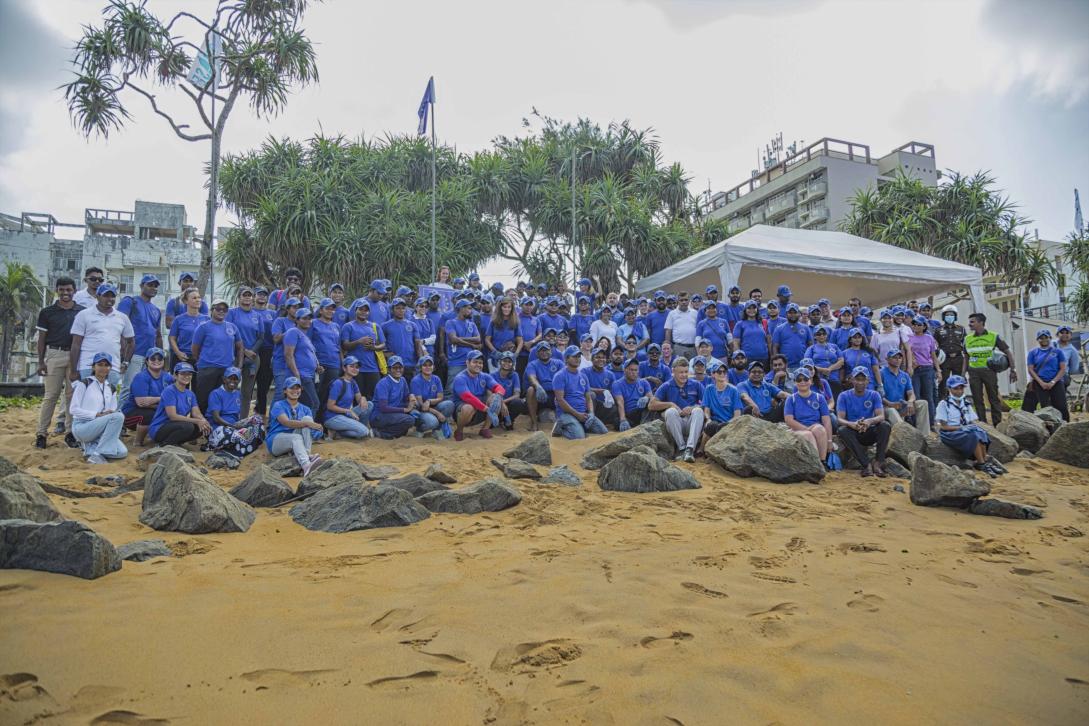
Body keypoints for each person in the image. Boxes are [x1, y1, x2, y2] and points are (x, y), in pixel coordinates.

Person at [35, 276, 83, 448]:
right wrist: (41, 362)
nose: (65, 293)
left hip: (75, 356)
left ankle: (70, 433)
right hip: (54, 354)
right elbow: (41, 339)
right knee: (51, 396)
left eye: (69, 290)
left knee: (72, 396)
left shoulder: (81, 312)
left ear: (74, 291)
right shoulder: (47, 312)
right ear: (57, 290)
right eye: (62, 289)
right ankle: (41, 434)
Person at [935, 375, 1003, 477]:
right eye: (955, 388)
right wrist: (962, 428)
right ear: (949, 389)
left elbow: (971, 421)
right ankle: (981, 463)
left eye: (961, 388)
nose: (959, 391)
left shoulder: (965, 403)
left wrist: (970, 428)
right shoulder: (944, 404)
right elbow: (943, 427)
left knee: (980, 432)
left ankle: (984, 461)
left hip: (964, 431)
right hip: (950, 433)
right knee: (973, 435)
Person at [69, 282, 134, 386]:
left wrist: (126, 362)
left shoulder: (122, 317)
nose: (110, 299)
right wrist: (73, 370)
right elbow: (76, 344)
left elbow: (131, 342)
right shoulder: (84, 315)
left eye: (112, 296)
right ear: (98, 296)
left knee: (108, 400)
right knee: (87, 399)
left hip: (112, 367)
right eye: (106, 295)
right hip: (88, 366)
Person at [69, 352, 128, 464]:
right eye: (100, 364)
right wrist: (96, 414)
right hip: (82, 426)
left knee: (122, 452)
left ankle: (91, 449)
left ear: (110, 368)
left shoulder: (111, 388)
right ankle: (97, 455)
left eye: (106, 365)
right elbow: (73, 409)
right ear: (93, 367)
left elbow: (111, 412)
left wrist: (108, 413)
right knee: (119, 416)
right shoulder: (84, 383)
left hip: (99, 428)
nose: (103, 368)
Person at [117, 273, 163, 410]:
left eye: (155, 286)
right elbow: (119, 325)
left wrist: (161, 355)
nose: (153, 288)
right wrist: (123, 352)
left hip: (150, 357)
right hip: (134, 353)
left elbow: (158, 334)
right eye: (150, 285)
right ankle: (119, 419)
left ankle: (134, 421)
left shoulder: (156, 310)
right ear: (141, 286)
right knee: (128, 387)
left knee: (143, 390)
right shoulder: (130, 301)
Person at [834, 367, 891, 478]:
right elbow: (840, 419)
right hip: (853, 430)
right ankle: (866, 464)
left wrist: (869, 421)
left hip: (869, 429)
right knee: (842, 430)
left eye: (863, 379)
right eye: (857, 379)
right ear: (852, 380)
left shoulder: (874, 395)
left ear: (868, 380)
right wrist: (852, 424)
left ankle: (878, 462)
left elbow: (881, 416)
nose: (860, 382)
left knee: (885, 426)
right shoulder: (844, 396)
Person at [190, 298, 243, 411]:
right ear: (212, 310)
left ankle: (218, 427)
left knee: (222, 402)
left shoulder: (232, 327)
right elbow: (195, 349)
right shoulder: (203, 327)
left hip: (227, 371)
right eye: (218, 308)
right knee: (203, 401)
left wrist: (239, 367)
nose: (221, 311)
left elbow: (240, 348)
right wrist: (202, 362)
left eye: (224, 309)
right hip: (207, 369)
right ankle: (199, 427)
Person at [648, 357, 704, 462]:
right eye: (681, 372)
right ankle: (681, 448)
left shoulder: (696, 384)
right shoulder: (667, 385)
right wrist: (670, 404)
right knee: (670, 411)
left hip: (691, 422)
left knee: (698, 411)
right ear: (673, 371)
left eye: (686, 372)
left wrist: (693, 408)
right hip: (675, 423)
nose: (684, 375)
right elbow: (651, 405)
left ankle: (690, 449)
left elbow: (707, 404)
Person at [965, 312, 1015, 425]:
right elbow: (966, 357)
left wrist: (1013, 369)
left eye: (972, 322)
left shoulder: (993, 336)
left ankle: (997, 424)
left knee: (993, 398)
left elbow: (1007, 352)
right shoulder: (967, 339)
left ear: (981, 322)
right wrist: (963, 374)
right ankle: (983, 423)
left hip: (989, 371)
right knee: (977, 399)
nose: (970, 324)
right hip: (973, 372)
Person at [266, 376, 323, 475]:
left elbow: (311, 430)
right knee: (298, 434)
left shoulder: (306, 409)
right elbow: (286, 422)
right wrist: (309, 424)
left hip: (295, 441)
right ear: (285, 391)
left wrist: (318, 430)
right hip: (276, 440)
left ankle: (307, 453)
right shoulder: (278, 405)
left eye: (297, 388)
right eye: (291, 388)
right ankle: (306, 466)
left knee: (307, 419)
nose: (295, 390)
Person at [204, 367, 265, 458]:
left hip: (233, 426)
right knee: (235, 435)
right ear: (224, 379)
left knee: (258, 419)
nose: (233, 381)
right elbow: (216, 418)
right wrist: (233, 426)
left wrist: (241, 425)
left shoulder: (237, 394)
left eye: (236, 379)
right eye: (230, 378)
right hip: (218, 428)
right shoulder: (216, 393)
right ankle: (217, 446)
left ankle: (237, 447)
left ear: (239, 380)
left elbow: (237, 417)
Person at [148, 362, 211, 447]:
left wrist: (204, 421)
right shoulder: (169, 391)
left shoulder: (190, 394)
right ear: (175, 375)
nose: (187, 376)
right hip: (159, 428)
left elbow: (196, 413)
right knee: (188, 427)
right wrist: (197, 421)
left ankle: (176, 442)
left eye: (189, 374)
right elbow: (173, 416)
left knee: (201, 428)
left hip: (177, 425)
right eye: (183, 373)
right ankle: (165, 445)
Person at [450, 350, 506, 440]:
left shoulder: (485, 376)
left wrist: (499, 396)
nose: (478, 365)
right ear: (467, 362)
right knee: (468, 407)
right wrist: (488, 409)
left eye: (480, 363)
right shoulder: (460, 378)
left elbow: (499, 387)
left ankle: (485, 429)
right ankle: (459, 430)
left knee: (495, 397)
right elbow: (468, 397)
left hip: (480, 409)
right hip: (463, 411)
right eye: (475, 362)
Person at [122, 347, 172, 446]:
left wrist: (156, 403)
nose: (156, 361)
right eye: (153, 358)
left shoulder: (167, 377)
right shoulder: (141, 377)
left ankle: (156, 438)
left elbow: (173, 397)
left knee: (169, 413)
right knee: (149, 415)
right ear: (147, 361)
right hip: (131, 414)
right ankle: (137, 442)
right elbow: (141, 403)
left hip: (153, 408)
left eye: (160, 358)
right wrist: (162, 399)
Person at [227, 287, 264, 419]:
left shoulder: (257, 316)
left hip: (252, 358)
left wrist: (251, 351)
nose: (247, 297)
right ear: (239, 297)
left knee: (246, 393)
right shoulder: (232, 313)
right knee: (230, 388)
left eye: (250, 295)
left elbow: (261, 337)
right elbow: (228, 334)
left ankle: (242, 421)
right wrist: (244, 351)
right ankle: (229, 418)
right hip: (234, 357)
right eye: (244, 295)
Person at [783, 368, 833, 466]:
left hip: (814, 426)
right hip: (796, 430)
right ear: (795, 382)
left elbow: (826, 421)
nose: (803, 382)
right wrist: (807, 429)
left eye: (805, 379)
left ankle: (822, 462)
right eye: (799, 380)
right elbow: (789, 420)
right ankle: (815, 464)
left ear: (811, 381)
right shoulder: (791, 399)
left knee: (820, 429)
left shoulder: (819, 398)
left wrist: (830, 441)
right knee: (808, 435)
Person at [340, 300, 386, 399]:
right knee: (356, 397)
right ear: (355, 310)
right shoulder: (348, 326)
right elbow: (344, 346)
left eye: (366, 310)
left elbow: (383, 344)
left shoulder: (374, 326)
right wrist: (359, 341)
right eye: (361, 309)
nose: (363, 312)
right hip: (355, 368)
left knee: (375, 396)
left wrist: (374, 348)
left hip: (372, 368)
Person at [1023, 329, 1070, 421]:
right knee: (1045, 407)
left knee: (1061, 406)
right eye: (1041, 338)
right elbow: (1031, 369)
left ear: (1050, 338)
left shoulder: (1057, 352)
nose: (1044, 339)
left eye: (1046, 337)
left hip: (1056, 382)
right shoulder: (1033, 353)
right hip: (1040, 383)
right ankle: (1050, 427)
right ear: (1038, 339)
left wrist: (1053, 382)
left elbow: (1062, 368)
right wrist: (1041, 383)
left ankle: (1066, 425)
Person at [880, 349, 930, 434]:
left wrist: (910, 402)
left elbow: (911, 394)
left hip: (901, 405)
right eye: (894, 357)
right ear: (887, 359)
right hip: (886, 408)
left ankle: (924, 436)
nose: (897, 359)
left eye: (899, 357)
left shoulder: (905, 375)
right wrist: (890, 404)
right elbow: (877, 395)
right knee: (892, 410)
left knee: (923, 403)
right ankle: (905, 437)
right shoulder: (881, 373)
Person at [324, 357, 373, 439]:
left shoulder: (353, 382)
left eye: (357, 367)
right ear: (344, 368)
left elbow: (359, 399)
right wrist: (348, 411)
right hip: (333, 417)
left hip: (345, 414)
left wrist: (363, 398)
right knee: (364, 432)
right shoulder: (338, 383)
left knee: (369, 404)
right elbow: (330, 406)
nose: (355, 369)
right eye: (352, 366)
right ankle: (339, 433)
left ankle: (339, 432)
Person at [310, 298, 343, 419]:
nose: (330, 311)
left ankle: (325, 422)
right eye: (327, 308)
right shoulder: (313, 323)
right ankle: (315, 421)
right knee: (317, 392)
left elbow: (338, 346)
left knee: (331, 394)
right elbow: (308, 343)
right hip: (320, 364)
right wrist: (314, 363)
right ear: (321, 310)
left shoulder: (336, 326)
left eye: (332, 309)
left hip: (334, 364)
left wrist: (342, 362)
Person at [370, 356, 418, 439]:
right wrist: (405, 410)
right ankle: (379, 433)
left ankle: (387, 432)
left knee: (415, 415)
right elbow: (383, 408)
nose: (398, 370)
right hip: (379, 416)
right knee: (409, 420)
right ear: (389, 369)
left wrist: (411, 396)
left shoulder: (403, 380)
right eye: (395, 367)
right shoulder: (383, 383)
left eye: (400, 367)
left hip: (392, 413)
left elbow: (406, 397)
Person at [906, 315, 939, 426]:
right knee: (916, 396)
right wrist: (909, 366)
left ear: (924, 326)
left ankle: (931, 422)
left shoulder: (929, 338)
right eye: (914, 324)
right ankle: (917, 422)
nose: (916, 326)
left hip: (927, 369)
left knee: (929, 396)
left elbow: (933, 355)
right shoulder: (909, 337)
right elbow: (907, 353)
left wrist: (938, 370)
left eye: (919, 324)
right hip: (915, 370)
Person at [410, 355, 454, 438]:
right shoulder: (416, 381)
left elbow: (440, 397)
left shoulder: (436, 379)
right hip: (420, 411)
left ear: (433, 367)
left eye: (430, 365)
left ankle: (437, 429)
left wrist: (429, 401)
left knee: (449, 404)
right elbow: (422, 407)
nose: (428, 367)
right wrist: (437, 413)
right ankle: (420, 429)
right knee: (433, 422)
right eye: (425, 365)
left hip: (432, 406)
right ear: (420, 367)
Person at [444, 299, 482, 393]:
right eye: (469, 308)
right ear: (461, 309)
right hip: (456, 362)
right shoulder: (450, 322)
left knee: (470, 391)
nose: (471, 311)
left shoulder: (472, 324)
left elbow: (478, 339)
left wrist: (459, 339)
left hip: (470, 363)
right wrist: (471, 345)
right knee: (451, 391)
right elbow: (453, 339)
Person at [700, 359, 742, 443]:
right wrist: (708, 419)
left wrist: (726, 424)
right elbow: (706, 410)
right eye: (719, 372)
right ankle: (701, 449)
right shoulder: (709, 389)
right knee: (711, 425)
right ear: (713, 374)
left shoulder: (734, 390)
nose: (722, 374)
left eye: (724, 372)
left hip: (729, 422)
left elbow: (737, 414)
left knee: (717, 428)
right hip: (714, 422)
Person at [167, 288, 210, 370]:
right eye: (194, 298)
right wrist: (178, 352)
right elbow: (172, 338)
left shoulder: (207, 319)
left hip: (201, 359)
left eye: (199, 297)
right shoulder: (178, 319)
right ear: (186, 301)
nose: (198, 300)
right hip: (183, 358)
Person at [525, 342, 563, 430]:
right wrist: (538, 387)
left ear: (551, 351)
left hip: (555, 395)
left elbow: (563, 378)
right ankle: (534, 423)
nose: (544, 352)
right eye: (541, 350)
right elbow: (532, 377)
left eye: (546, 350)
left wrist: (554, 388)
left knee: (564, 389)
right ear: (537, 353)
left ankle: (562, 421)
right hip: (540, 396)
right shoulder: (532, 364)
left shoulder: (559, 363)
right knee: (531, 390)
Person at [934, 304, 968, 399]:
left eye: (952, 315)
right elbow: (935, 345)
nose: (949, 317)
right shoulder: (938, 330)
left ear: (955, 316)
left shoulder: (961, 329)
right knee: (943, 383)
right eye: (947, 315)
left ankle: (959, 401)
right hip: (944, 360)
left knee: (958, 382)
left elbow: (966, 344)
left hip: (958, 359)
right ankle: (943, 402)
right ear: (943, 317)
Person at [253, 287, 276, 419]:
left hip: (268, 350)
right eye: (259, 294)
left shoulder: (272, 314)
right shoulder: (250, 312)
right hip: (253, 350)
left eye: (264, 295)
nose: (262, 297)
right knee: (250, 383)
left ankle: (261, 412)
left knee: (264, 383)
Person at [611, 358, 652, 431]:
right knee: (617, 422)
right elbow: (620, 402)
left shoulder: (644, 382)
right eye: (631, 370)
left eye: (635, 370)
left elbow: (650, 395)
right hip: (628, 414)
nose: (633, 372)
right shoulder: (617, 384)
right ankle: (641, 426)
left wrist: (646, 397)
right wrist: (623, 420)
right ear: (624, 370)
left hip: (641, 410)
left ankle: (643, 426)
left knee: (651, 402)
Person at [771, 303, 813, 369]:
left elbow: (810, 345)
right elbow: (775, 347)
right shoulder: (779, 328)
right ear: (786, 314)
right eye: (790, 313)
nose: (792, 315)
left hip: (802, 365)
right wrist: (777, 364)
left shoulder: (806, 328)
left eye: (795, 312)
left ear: (799, 314)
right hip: (785, 366)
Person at [485, 297, 523, 371]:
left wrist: (516, 354)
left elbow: (520, 340)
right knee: (495, 381)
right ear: (500, 307)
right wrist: (495, 352)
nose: (507, 309)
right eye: (504, 307)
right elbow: (487, 339)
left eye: (509, 307)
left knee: (509, 380)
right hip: (496, 356)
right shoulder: (493, 321)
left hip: (509, 356)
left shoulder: (515, 322)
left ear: (512, 309)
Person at [804, 326, 843, 397]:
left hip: (834, 378)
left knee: (835, 399)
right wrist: (822, 370)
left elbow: (841, 361)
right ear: (815, 336)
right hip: (818, 379)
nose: (821, 336)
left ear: (827, 335)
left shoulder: (834, 346)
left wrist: (829, 369)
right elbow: (807, 364)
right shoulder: (811, 348)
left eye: (824, 333)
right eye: (818, 334)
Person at [493, 351, 526, 429]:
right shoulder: (492, 375)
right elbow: (490, 395)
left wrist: (504, 402)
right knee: (492, 425)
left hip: (508, 403)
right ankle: (496, 420)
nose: (506, 363)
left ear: (513, 364)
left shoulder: (515, 375)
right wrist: (500, 403)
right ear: (500, 362)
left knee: (519, 402)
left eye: (509, 361)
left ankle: (508, 420)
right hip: (495, 404)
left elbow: (517, 395)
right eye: (504, 361)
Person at [733, 301, 769, 371]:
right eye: (749, 308)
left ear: (757, 309)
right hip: (747, 358)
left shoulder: (763, 322)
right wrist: (738, 358)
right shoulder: (740, 324)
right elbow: (736, 343)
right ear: (745, 310)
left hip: (763, 358)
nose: (751, 310)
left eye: (754, 308)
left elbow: (769, 341)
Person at [664, 292, 699, 359]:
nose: (684, 302)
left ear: (689, 301)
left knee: (692, 368)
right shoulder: (672, 314)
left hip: (693, 348)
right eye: (681, 300)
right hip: (678, 348)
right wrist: (668, 347)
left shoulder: (695, 313)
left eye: (686, 300)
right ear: (678, 301)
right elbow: (668, 331)